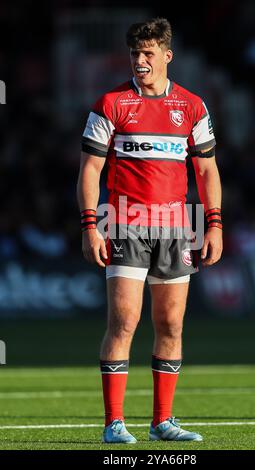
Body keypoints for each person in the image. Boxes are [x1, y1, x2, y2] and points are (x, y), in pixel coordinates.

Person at [77, 17, 223, 444]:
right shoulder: (112, 104)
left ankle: (162, 422)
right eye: (134, 54)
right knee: (123, 320)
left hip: (178, 226)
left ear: (166, 55)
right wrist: (91, 226)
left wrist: (213, 225)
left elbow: (207, 170)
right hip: (124, 222)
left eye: (147, 53)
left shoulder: (192, 107)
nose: (139, 61)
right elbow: (90, 169)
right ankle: (114, 424)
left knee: (171, 324)